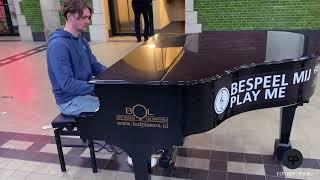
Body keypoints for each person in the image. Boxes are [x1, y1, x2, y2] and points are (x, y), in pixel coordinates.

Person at [46, 0, 107, 116]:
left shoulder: (81, 40)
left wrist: (112, 76)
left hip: (85, 93)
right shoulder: (58, 45)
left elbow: (94, 65)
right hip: (69, 101)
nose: (88, 21)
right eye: (83, 17)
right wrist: (99, 88)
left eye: (88, 17)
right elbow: (67, 84)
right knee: (112, 108)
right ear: (69, 16)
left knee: (118, 100)